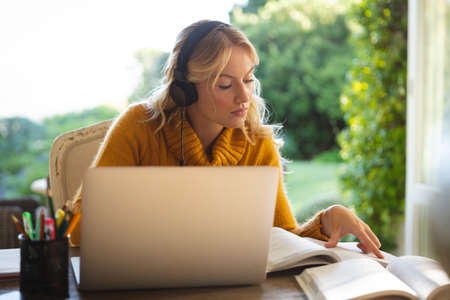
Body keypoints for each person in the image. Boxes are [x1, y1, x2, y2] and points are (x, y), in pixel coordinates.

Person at [70, 20, 383, 258]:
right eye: (225, 85)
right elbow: (80, 229)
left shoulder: (256, 142)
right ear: (186, 88)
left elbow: (283, 240)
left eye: (248, 79)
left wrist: (327, 221)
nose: (245, 96)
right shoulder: (138, 126)